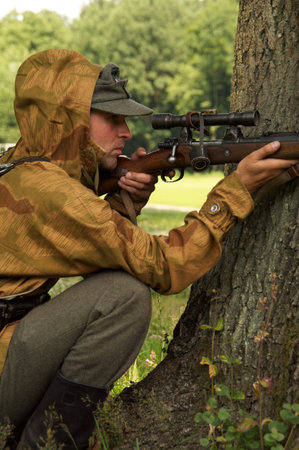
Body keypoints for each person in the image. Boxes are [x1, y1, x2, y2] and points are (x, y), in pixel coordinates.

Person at [0, 49, 297, 449]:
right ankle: (48, 443)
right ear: (68, 119)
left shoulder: (18, 166)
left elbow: (98, 245)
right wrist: (233, 193)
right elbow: (165, 266)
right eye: (113, 118)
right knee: (124, 298)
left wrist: (126, 199)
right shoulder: (54, 193)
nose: (125, 133)